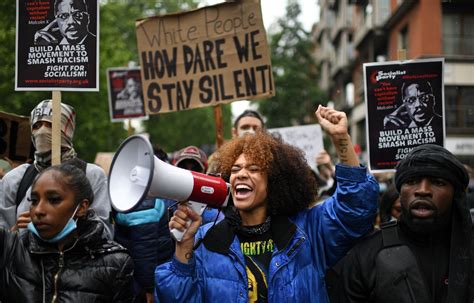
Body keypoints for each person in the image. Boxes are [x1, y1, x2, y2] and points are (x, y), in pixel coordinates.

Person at [155, 105, 379, 302]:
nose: (241, 174)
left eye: (253, 169)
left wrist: (341, 140)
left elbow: (356, 209)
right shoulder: (206, 239)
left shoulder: (308, 231)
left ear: (274, 181)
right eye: (235, 170)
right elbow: (177, 297)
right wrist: (183, 248)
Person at [341, 144, 473, 302]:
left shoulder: (470, 246)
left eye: (438, 182)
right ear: (400, 191)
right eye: (411, 181)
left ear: (456, 194)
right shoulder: (367, 252)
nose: (423, 190)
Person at [0, 162, 134, 302]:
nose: (38, 210)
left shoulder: (115, 264)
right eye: (34, 201)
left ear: (82, 207)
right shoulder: (10, 249)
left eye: (54, 200)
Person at [0, 100, 113, 239]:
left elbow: (106, 234)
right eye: (36, 126)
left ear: (67, 130)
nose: (42, 131)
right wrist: (17, 233)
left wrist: (60, 227)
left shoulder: (92, 175)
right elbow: (3, 241)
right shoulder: (14, 179)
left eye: (50, 125)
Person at [113, 144, 174, 303]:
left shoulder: (130, 196)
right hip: (146, 283)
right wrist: (149, 289)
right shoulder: (145, 202)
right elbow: (144, 252)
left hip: (133, 277)